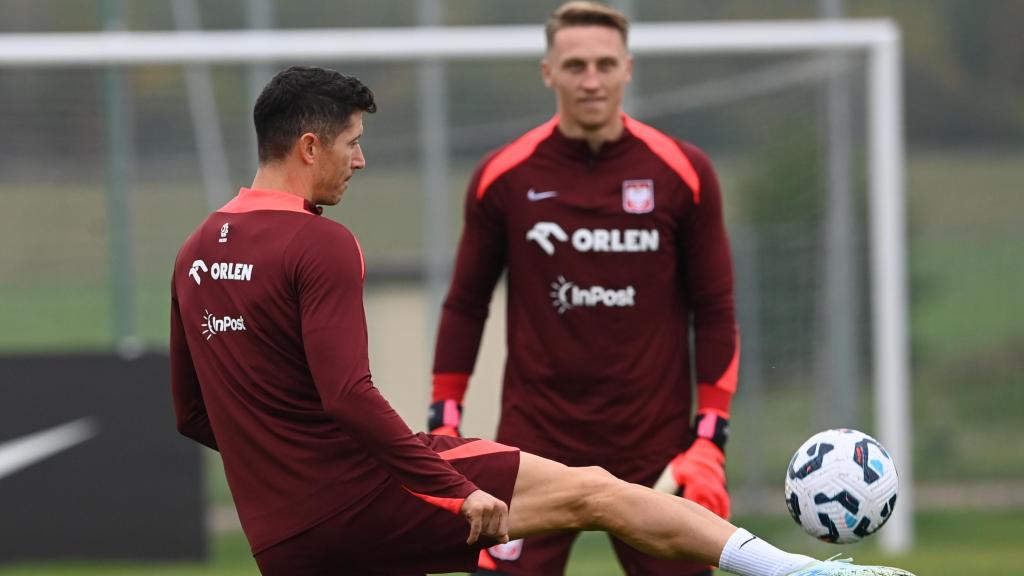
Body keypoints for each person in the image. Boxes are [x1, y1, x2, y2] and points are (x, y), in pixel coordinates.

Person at [171, 64, 915, 576]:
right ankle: (795, 569)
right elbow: (347, 394)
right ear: (309, 146)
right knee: (600, 491)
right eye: (352, 143)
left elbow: (195, 415)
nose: (358, 162)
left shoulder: (195, 252)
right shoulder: (319, 240)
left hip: (279, 536)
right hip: (363, 496)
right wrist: (452, 488)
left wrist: (281, 462)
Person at [430, 2, 735, 573]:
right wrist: (445, 419)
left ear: (628, 68)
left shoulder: (684, 173)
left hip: (656, 450)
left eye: (603, 64)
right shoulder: (505, 176)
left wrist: (709, 439)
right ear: (548, 72)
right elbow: (466, 305)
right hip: (535, 447)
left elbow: (715, 310)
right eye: (575, 66)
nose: (590, 80)